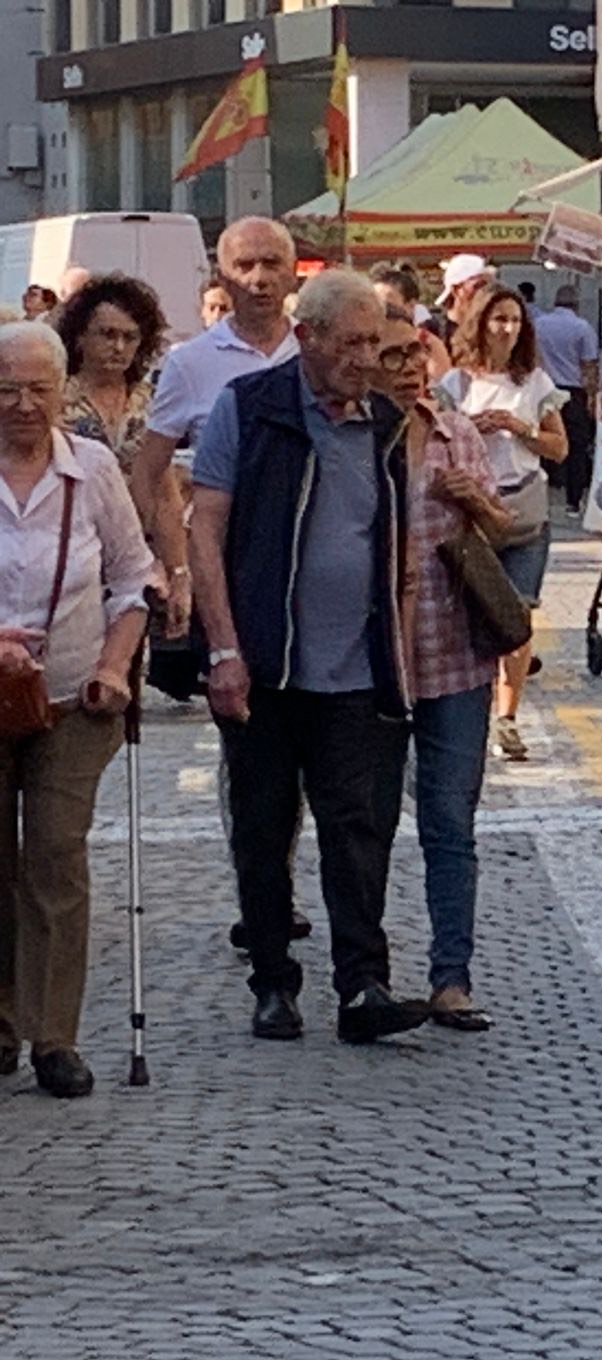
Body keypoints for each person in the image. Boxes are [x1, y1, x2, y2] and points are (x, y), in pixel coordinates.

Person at [187, 268, 424, 1047]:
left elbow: (397, 544)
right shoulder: (250, 408)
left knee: (357, 828)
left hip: (356, 666)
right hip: (265, 662)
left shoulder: (386, 422)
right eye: (350, 343)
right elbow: (205, 529)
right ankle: (272, 982)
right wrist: (224, 647)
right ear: (307, 338)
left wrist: (399, 651)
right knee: (263, 826)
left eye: (374, 343)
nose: (365, 359)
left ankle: (363, 983)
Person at [0, 321, 154, 1098]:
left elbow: (133, 578)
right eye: (6, 390)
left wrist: (114, 664)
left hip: (74, 697)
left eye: (39, 389)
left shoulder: (91, 470)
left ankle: (52, 1035)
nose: (24, 405)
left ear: (62, 391)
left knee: (56, 855)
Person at [376, 303, 513, 1034]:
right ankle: (364, 975)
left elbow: (504, 527)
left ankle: (451, 977)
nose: (407, 368)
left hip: (454, 650)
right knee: (365, 821)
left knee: (450, 820)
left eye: (414, 353)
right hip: (374, 659)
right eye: (391, 355)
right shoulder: (353, 436)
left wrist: (475, 500)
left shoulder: (455, 431)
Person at [131, 216, 300, 640]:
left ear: (293, 272)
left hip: (309, 558)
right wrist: (166, 564)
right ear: (223, 279)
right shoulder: (190, 362)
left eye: (271, 263)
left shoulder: (314, 349)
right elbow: (149, 470)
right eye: (244, 266)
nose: (259, 279)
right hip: (226, 565)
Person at [439, 284, 567, 763]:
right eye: (499, 320)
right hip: (473, 512)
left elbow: (560, 448)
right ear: (480, 324)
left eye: (514, 320)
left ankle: (508, 718)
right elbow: (436, 443)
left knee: (518, 616)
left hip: (524, 511)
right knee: (471, 615)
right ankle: (471, 708)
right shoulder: (455, 384)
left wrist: (520, 428)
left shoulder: (534, 383)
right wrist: (470, 428)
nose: (507, 329)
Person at [56, 273, 166, 474]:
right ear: (80, 335)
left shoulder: (153, 400)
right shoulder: (55, 396)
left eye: (130, 337)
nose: (119, 347)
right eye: (108, 335)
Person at [532, 284, 601, 516]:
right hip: (573, 392)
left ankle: (542, 495)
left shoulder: (539, 325)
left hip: (544, 389)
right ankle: (573, 501)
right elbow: (588, 365)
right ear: (576, 305)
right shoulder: (583, 327)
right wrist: (592, 396)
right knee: (576, 447)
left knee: (541, 441)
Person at [369, 264, 452, 380]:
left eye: (388, 303)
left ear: (411, 305)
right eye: (374, 301)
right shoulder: (364, 344)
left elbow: (443, 386)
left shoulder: (429, 344)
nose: (379, 308)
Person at [436, 254, 496, 333]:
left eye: (487, 287)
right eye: (478, 286)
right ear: (456, 290)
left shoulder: (489, 331)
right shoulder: (435, 332)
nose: (484, 293)